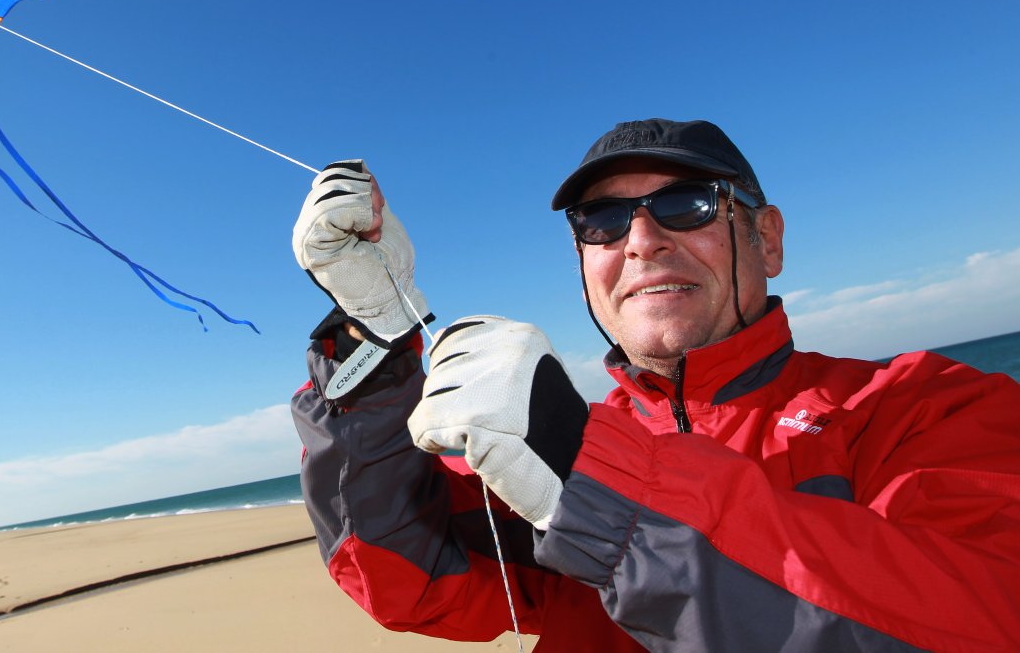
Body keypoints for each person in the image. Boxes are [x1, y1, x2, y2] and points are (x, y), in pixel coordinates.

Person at [290, 120, 1020, 652]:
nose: (639, 240)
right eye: (601, 222)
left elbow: (987, 609)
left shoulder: (922, 404)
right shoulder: (558, 452)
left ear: (765, 238)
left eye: (686, 204)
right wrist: (375, 337)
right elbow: (406, 576)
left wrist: (590, 477)